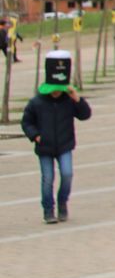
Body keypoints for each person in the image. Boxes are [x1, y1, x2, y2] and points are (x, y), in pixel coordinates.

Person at [22, 52, 91, 224]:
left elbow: (85, 115)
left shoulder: (68, 100)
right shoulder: (37, 102)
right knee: (48, 178)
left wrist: (78, 100)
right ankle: (48, 209)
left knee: (67, 174)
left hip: (64, 144)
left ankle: (62, 203)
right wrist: (35, 135)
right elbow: (27, 122)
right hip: (44, 145)